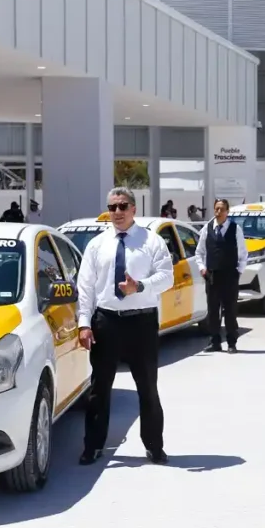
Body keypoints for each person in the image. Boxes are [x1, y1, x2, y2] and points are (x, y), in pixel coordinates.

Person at [75, 187, 175, 466]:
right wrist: (84, 323)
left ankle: (155, 446)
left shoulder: (152, 241)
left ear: (134, 209)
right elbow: (86, 287)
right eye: (112, 207)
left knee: (147, 388)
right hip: (107, 321)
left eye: (122, 206)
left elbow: (167, 277)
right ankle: (93, 446)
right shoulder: (97, 245)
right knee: (99, 388)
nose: (116, 212)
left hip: (141, 322)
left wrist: (140, 286)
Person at [196, 198, 248, 353]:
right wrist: (202, 268)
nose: (218, 212)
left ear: (227, 211)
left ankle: (232, 342)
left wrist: (238, 271)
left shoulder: (234, 229)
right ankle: (215, 341)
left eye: (222, 209)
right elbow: (199, 252)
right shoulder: (207, 228)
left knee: (230, 310)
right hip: (212, 276)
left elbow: (243, 253)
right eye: (216, 209)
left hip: (230, 276)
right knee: (213, 310)